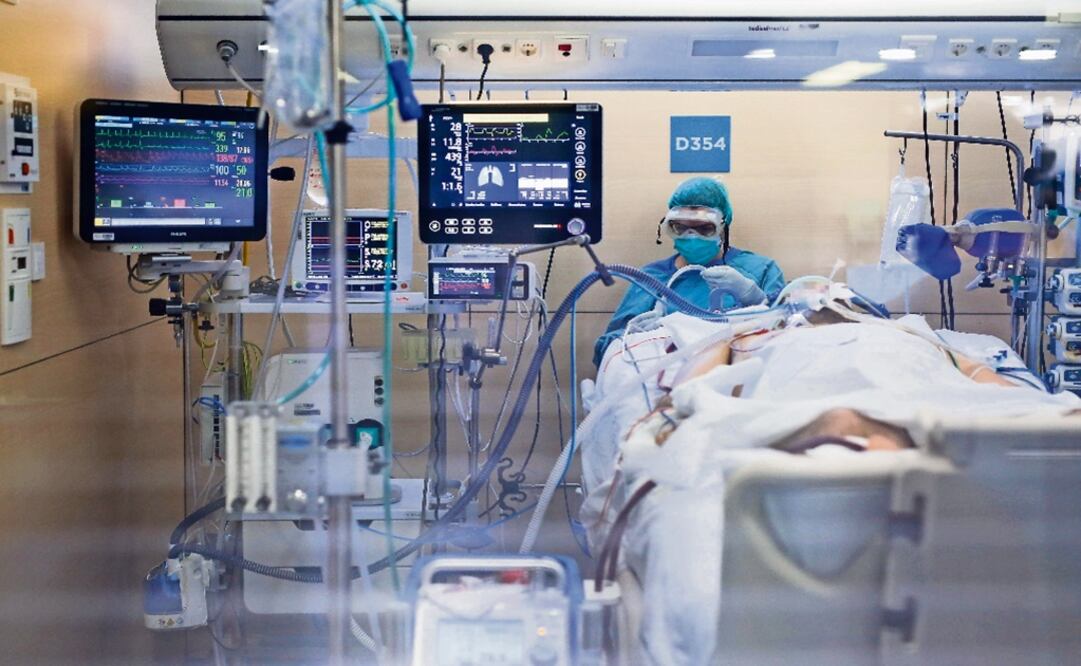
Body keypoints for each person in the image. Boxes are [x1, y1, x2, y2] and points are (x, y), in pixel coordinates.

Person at [593, 176, 785, 366]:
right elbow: (606, 351)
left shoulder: (761, 269)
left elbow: (787, 334)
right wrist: (633, 335)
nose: (691, 236)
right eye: (680, 227)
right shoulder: (651, 278)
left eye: (704, 228)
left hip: (739, 372)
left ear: (722, 226)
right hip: (667, 374)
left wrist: (754, 298)